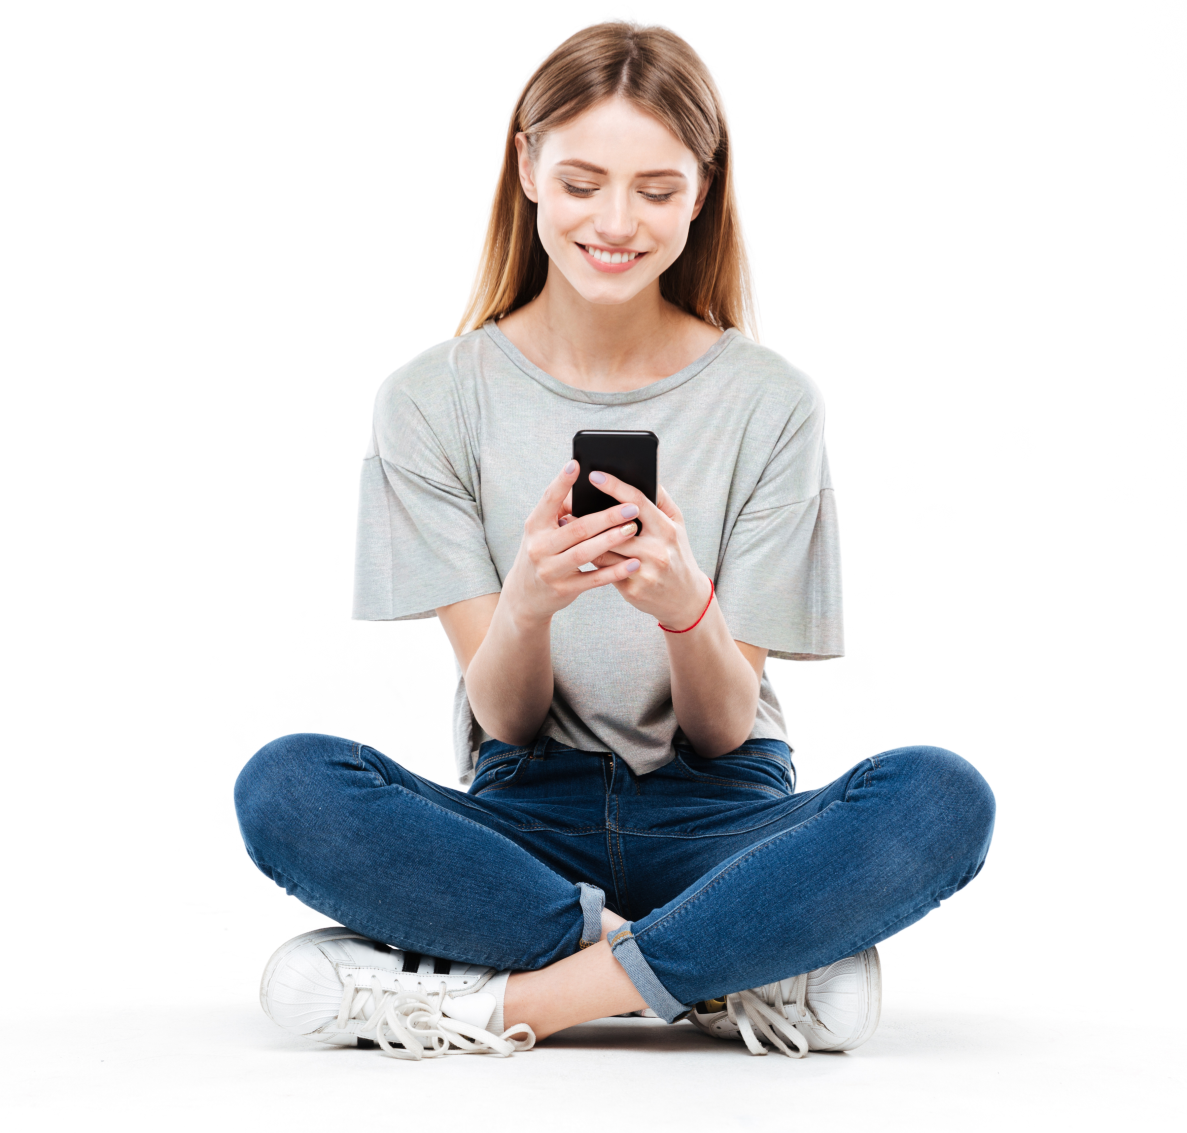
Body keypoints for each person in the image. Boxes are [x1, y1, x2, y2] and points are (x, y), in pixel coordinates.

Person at [234, 21, 995, 1062]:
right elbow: (505, 718)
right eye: (582, 182)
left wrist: (685, 608)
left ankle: (514, 998)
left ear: (701, 190)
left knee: (939, 796)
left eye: (656, 188)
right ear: (526, 168)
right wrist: (528, 603)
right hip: (524, 819)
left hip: (721, 817)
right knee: (286, 784)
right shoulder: (431, 398)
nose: (615, 222)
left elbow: (724, 731)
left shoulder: (769, 402)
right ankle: (731, 961)